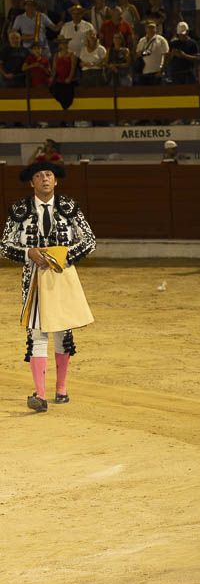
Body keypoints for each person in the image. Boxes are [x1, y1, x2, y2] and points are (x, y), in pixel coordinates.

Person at [1, 160, 96, 412]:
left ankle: (61, 388)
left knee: (63, 331)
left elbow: (89, 240)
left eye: (49, 174)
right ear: (32, 182)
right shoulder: (19, 210)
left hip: (62, 276)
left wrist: (63, 255)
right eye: (39, 175)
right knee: (37, 332)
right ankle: (40, 395)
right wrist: (27, 253)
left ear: (56, 181)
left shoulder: (69, 207)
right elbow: (4, 245)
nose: (44, 178)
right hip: (32, 278)